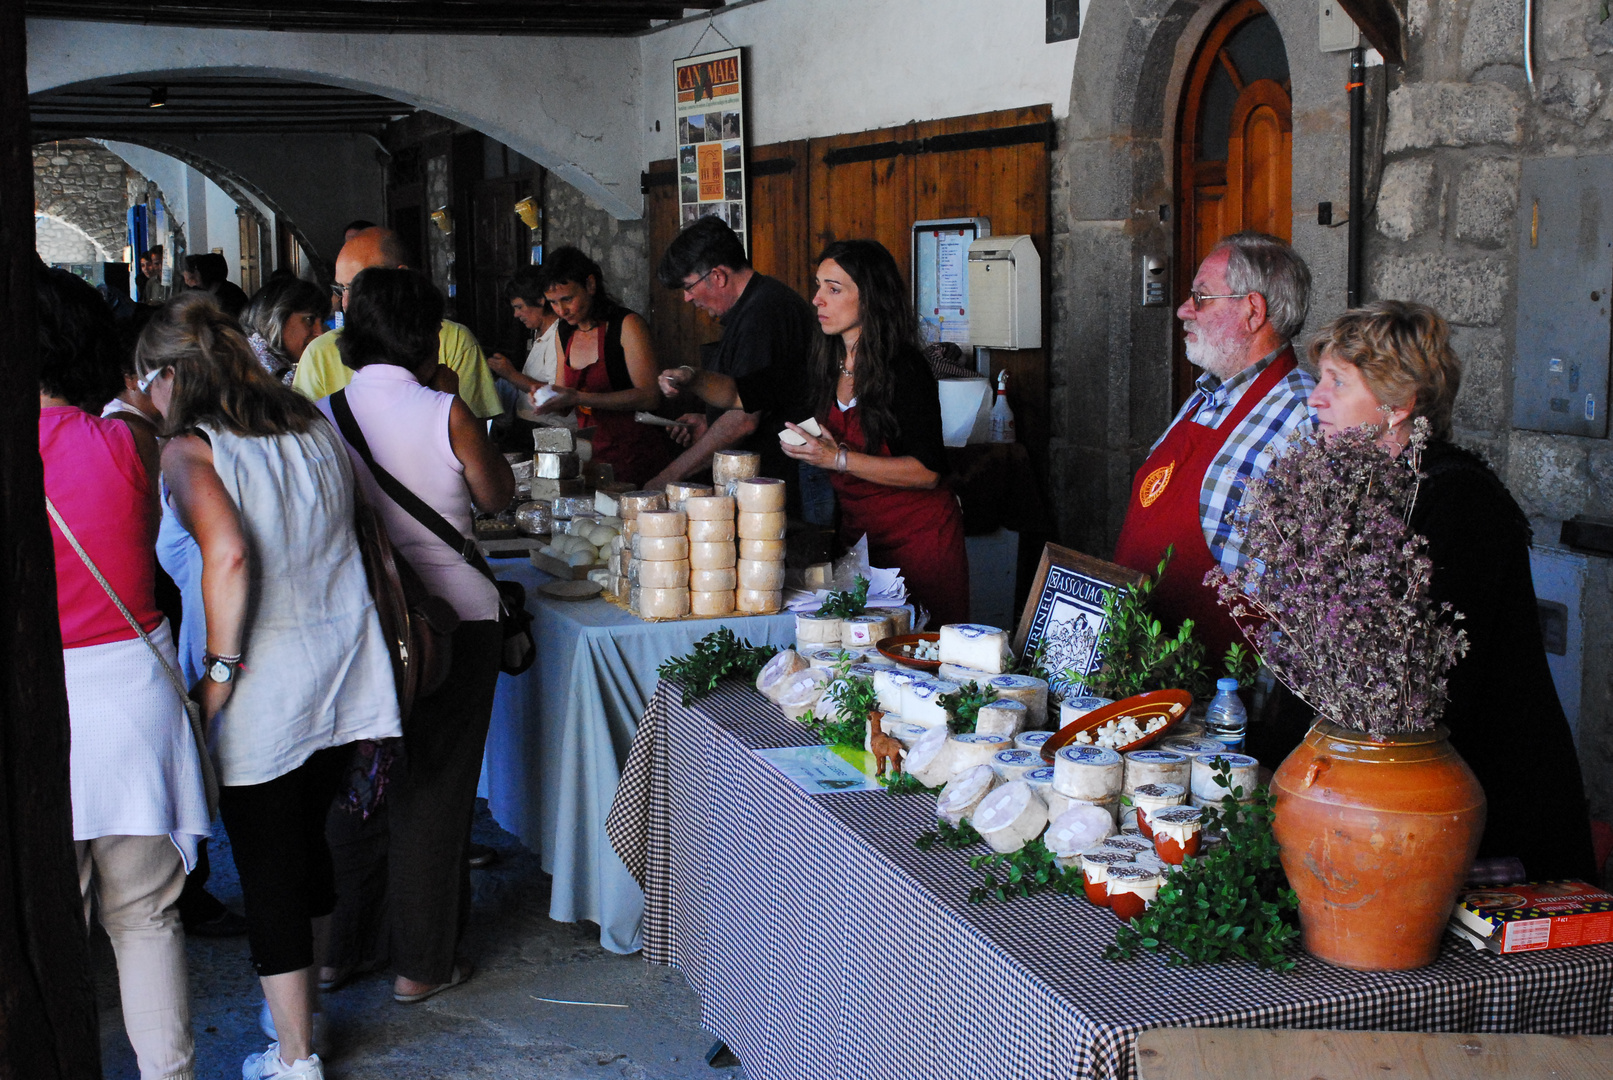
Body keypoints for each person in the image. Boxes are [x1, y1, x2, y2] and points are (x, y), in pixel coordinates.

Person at [137, 293, 402, 1080]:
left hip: (264, 686)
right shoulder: (311, 425)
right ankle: (302, 1014)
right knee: (309, 850)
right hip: (344, 671)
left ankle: (293, 1057)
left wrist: (217, 675)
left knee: (268, 870)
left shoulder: (192, 452)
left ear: (168, 375)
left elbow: (228, 559)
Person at [1297, 300, 1597, 882]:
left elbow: (1432, 685)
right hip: (1391, 799)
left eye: (1337, 381)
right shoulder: (1369, 489)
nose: (1315, 398)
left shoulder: (1460, 502)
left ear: (1398, 404)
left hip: (1481, 814)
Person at [316, 267, 515, 1005]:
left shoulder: (321, 412)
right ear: (429, 336)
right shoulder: (444, 410)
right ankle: (420, 964)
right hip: (453, 619)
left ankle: (340, 949)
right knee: (435, 791)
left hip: (362, 620)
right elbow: (498, 495)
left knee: (353, 785)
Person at [37, 267, 212, 1080]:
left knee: (49, 933)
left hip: (40, 708)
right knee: (146, 919)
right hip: (132, 699)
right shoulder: (129, 445)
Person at [1111, 231, 1317, 660]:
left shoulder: (1305, 417)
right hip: (1143, 664)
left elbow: (1300, 591)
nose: (1185, 310)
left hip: (1216, 689)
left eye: (1201, 297)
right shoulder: (1206, 395)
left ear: (1253, 310)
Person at [778, 240, 969, 625]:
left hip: (919, 537)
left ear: (870, 298)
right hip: (861, 537)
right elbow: (753, 393)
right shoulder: (826, 359)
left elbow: (928, 471)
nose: (817, 299)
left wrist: (838, 459)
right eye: (818, 286)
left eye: (834, 289)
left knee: (923, 651)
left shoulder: (904, 367)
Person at [651, 216, 824, 520]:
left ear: (717, 276)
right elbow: (759, 394)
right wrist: (710, 420)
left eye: (689, 286)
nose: (687, 297)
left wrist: (665, 480)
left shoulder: (763, 313)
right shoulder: (756, 303)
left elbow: (744, 420)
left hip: (786, 483)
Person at [291, 227, 502, 420]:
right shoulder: (319, 353)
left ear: (401, 277)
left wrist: (448, 399)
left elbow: (480, 430)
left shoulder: (454, 339)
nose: (346, 302)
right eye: (341, 289)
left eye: (357, 287)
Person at [534, 246, 674, 486]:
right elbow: (565, 400)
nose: (561, 310)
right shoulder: (564, 330)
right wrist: (546, 400)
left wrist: (578, 397)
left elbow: (650, 397)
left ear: (590, 285)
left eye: (567, 299)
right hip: (591, 458)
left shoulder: (627, 325)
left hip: (636, 457)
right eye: (553, 303)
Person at [485, 270, 569, 427]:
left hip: (551, 428)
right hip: (530, 424)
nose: (516, 314)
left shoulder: (558, 335)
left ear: (540, 301)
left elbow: (558, 396)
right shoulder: (538, 333)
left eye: (519, 307)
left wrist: (510, 374)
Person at [243, 277, 331, 383]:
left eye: (321, 323)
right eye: (309, 320)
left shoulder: (247, 359)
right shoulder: (273, 381)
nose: (320, 333)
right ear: (278, 318)